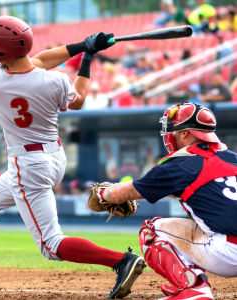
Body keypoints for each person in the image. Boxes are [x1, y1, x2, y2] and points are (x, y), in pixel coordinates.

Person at [0, 16, 145, 299]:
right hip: (54, 158)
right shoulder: (55, 81)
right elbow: (77, 97)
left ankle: (120, 261)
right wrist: (86, 57)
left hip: (28, 165)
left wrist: (83, 47)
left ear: (1, 53)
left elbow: (39, 61)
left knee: (51, 245)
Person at [93, 103, 237, 299]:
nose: (171, 134)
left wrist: (103, 194)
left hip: (229, 252)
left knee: (151, 230)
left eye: (175, 129)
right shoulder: (232, 158)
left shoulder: (181, 164)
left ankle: (193, 288)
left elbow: (126, 192)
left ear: (185, 133)